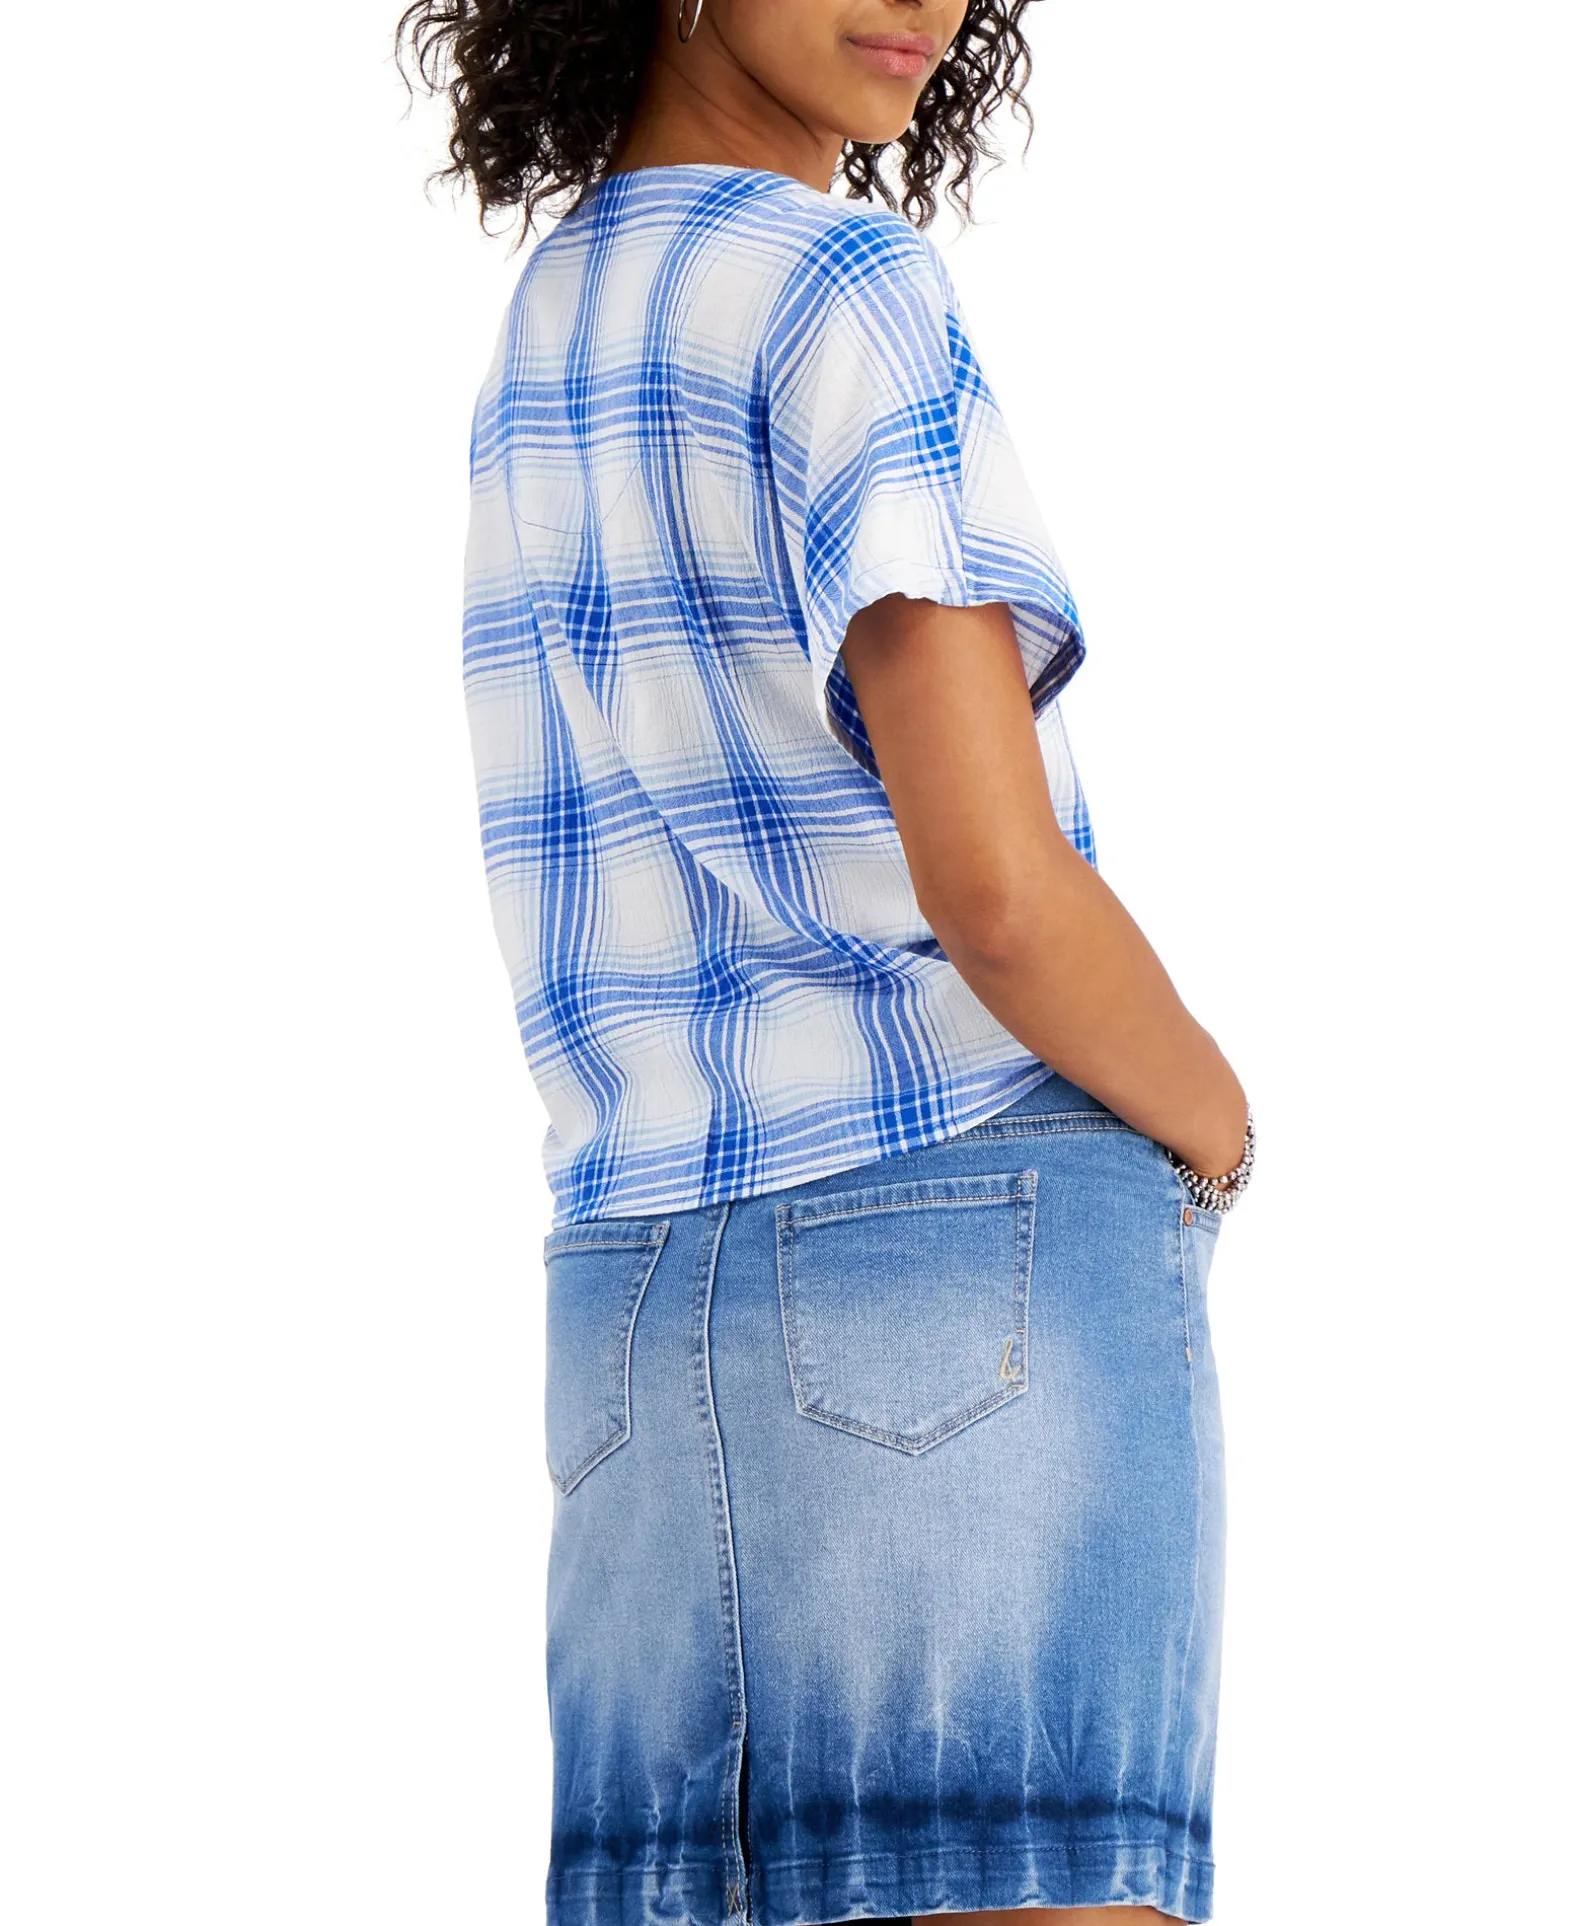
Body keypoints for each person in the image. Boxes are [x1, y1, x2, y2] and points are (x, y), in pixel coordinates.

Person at [398, 0, 1255, 1921]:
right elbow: (997, 893)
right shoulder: (844, 283)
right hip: (963, 1252)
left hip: (631, 1312)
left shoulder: (550, 319)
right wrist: (1212, 1121)